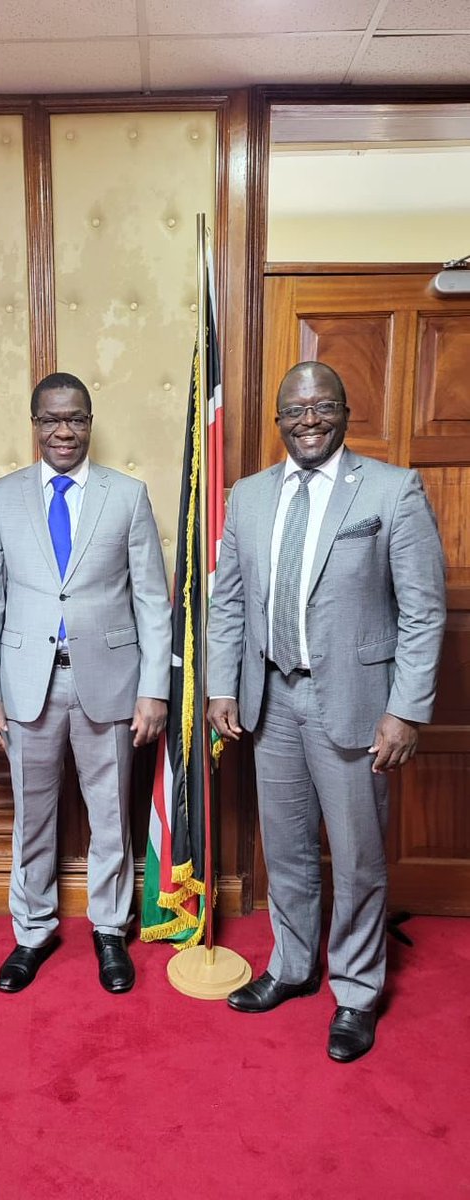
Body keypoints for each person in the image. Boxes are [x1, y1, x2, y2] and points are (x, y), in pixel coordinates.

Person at [207, 361, 446, 1062]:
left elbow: (423, 611)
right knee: (283, 847)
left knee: (357, 854)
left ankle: (356, 990)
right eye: (295, 410)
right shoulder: (246, 498)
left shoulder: (390, 489)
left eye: (322, 406)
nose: (308, 420)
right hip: (270, 695)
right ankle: (290, 965)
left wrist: (405, 710)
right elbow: (228, 603)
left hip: (352, 700)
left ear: (343, 411)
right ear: (278, 419)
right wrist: (223, 685)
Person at [0, 371, 171, 994]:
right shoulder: (3, 497)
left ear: (89, 422)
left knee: (111, 816)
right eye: (52, 419)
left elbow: (152, 601)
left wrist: (154, 689)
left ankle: (111, 932)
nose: (64, 430)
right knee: (32, 817)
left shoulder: (128, 496)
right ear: (35, 425)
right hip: (26, 685)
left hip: (111, 683)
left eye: (76, 418)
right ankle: (31, 932)